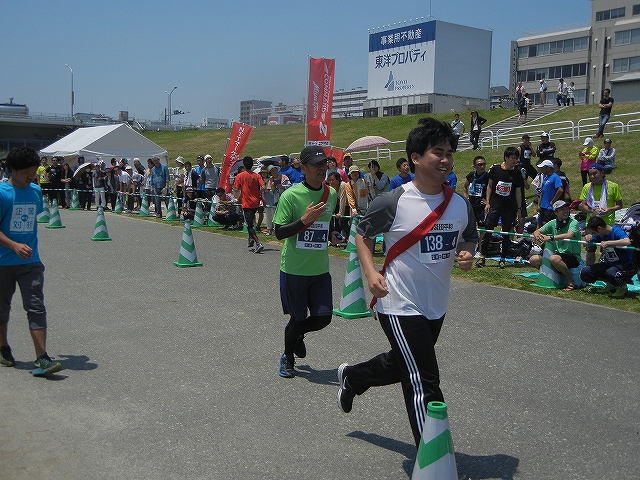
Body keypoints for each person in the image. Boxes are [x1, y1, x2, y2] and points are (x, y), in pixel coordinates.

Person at [335, 117, 476, 448]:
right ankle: (433, 456)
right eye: (437, 152)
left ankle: (353, 376)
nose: (445, 160)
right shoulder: (393, 201)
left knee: (401, 363)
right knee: (424, 379)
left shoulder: (459, 204)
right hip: (398, 303)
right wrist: (371, 274)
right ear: (415, 157)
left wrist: (468, 254)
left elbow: (469, 237)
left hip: (436, 304)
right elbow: (363, 234)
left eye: (449, 153)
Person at [273, 145, 337, 378]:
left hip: (320, 270)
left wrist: (332, 234)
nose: (322, 169)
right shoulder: (291, 195)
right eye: (317, 165)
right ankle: (287, 357)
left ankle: (296, 333)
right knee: (297, 318)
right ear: (303, 165)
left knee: (323, 318)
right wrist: (304, 220)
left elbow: (326, 225)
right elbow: (278, 232)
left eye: (325, 164)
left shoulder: (330, 193)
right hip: (295, 269)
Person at [0, 146, 62, 374]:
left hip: (30, 261)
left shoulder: (35, 191)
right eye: (26, 172)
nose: (31, 176)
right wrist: (13, 245)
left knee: (36, 306)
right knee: (2, 307)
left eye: (34, 172)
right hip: (3, 262)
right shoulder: (2, 193)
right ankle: (3, 347)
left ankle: (42, 357)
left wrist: (23, 247)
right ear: (13, 170)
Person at [477, 147, 524, 268]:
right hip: (495, 206)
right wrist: (487, 202)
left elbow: (518, 192)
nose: (514, 160)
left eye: (516, 158)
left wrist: (519, 209)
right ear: (506, 158)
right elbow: (489, 186)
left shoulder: (517, 172)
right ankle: (482, 256)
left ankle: (503, 258)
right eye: (512, 158)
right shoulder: (495, 169)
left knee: (506, 232)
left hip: (509, 208)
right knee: (488, 230)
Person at [529, 200, 583, 291]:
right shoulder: (553, 222)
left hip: (572, 256)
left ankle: (571, 281)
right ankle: (550, 276)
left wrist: (550, 238)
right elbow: (537, 231)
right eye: (562, 209)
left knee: (554, 259)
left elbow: (569, 235)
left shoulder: (573, 222)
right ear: (555, 212)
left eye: (567, 209)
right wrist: (537, 235)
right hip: (557, 254)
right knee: (533, 260)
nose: (565, 211)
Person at [580, 216, 634, 298]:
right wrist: (588, 238)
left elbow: (627, 241)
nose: (594, 234)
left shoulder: (616, 231)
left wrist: (609, 243)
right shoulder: (600, 234)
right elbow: (589, 241)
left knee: (611, 272)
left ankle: (622, 287)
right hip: (609, 263)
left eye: (594, 232)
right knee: (586, 272)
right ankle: (611, 284)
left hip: (625, 264)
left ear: (599, 228)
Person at [580, 163, 623, 265]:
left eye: (595, 174)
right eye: (590, 174)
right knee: (590, 251)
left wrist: (609, 209)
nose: (592, 177)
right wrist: (591, 211)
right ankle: (589, 271)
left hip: (606, 226)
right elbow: (583, 206)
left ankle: (603, 272)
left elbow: (619, 205)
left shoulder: (613, 186)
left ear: (602, 173)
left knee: (607, 252)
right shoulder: (587, 187)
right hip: (591, 225)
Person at [233, 156, 265, 253]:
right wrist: (258, 193)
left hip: (247, 203)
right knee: (250, 221)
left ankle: (258, 242)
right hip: (256, 202)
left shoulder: (240, 176)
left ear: (244, 165)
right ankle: (251, 239)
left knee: (249, 225)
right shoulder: (257, 176)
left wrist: (238, 197)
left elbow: (236, 189)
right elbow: (263, 187)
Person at [536, 159, 564, 227]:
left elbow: (560, 190)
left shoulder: (555, 177)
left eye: (543, 167)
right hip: (543, 206)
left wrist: (553, 201)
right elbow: (542, 192)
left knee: (546, 224)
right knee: (539, 223)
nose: (541, 169)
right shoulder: (545, 178)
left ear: (548, 168)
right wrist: (539, 205)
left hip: (549, 207)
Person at [463, 155, 489, 226]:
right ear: (474, 166)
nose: (482, 166)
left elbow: (491, 190)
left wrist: (487, 202)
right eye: (479, 165)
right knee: (470, 224)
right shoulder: (471, 175)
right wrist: (466, 198)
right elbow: (464, 187)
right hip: (472, 204)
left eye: (484, 164)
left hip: (481, 206)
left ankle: (482, 237)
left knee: (482, 225)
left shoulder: (488, 176)